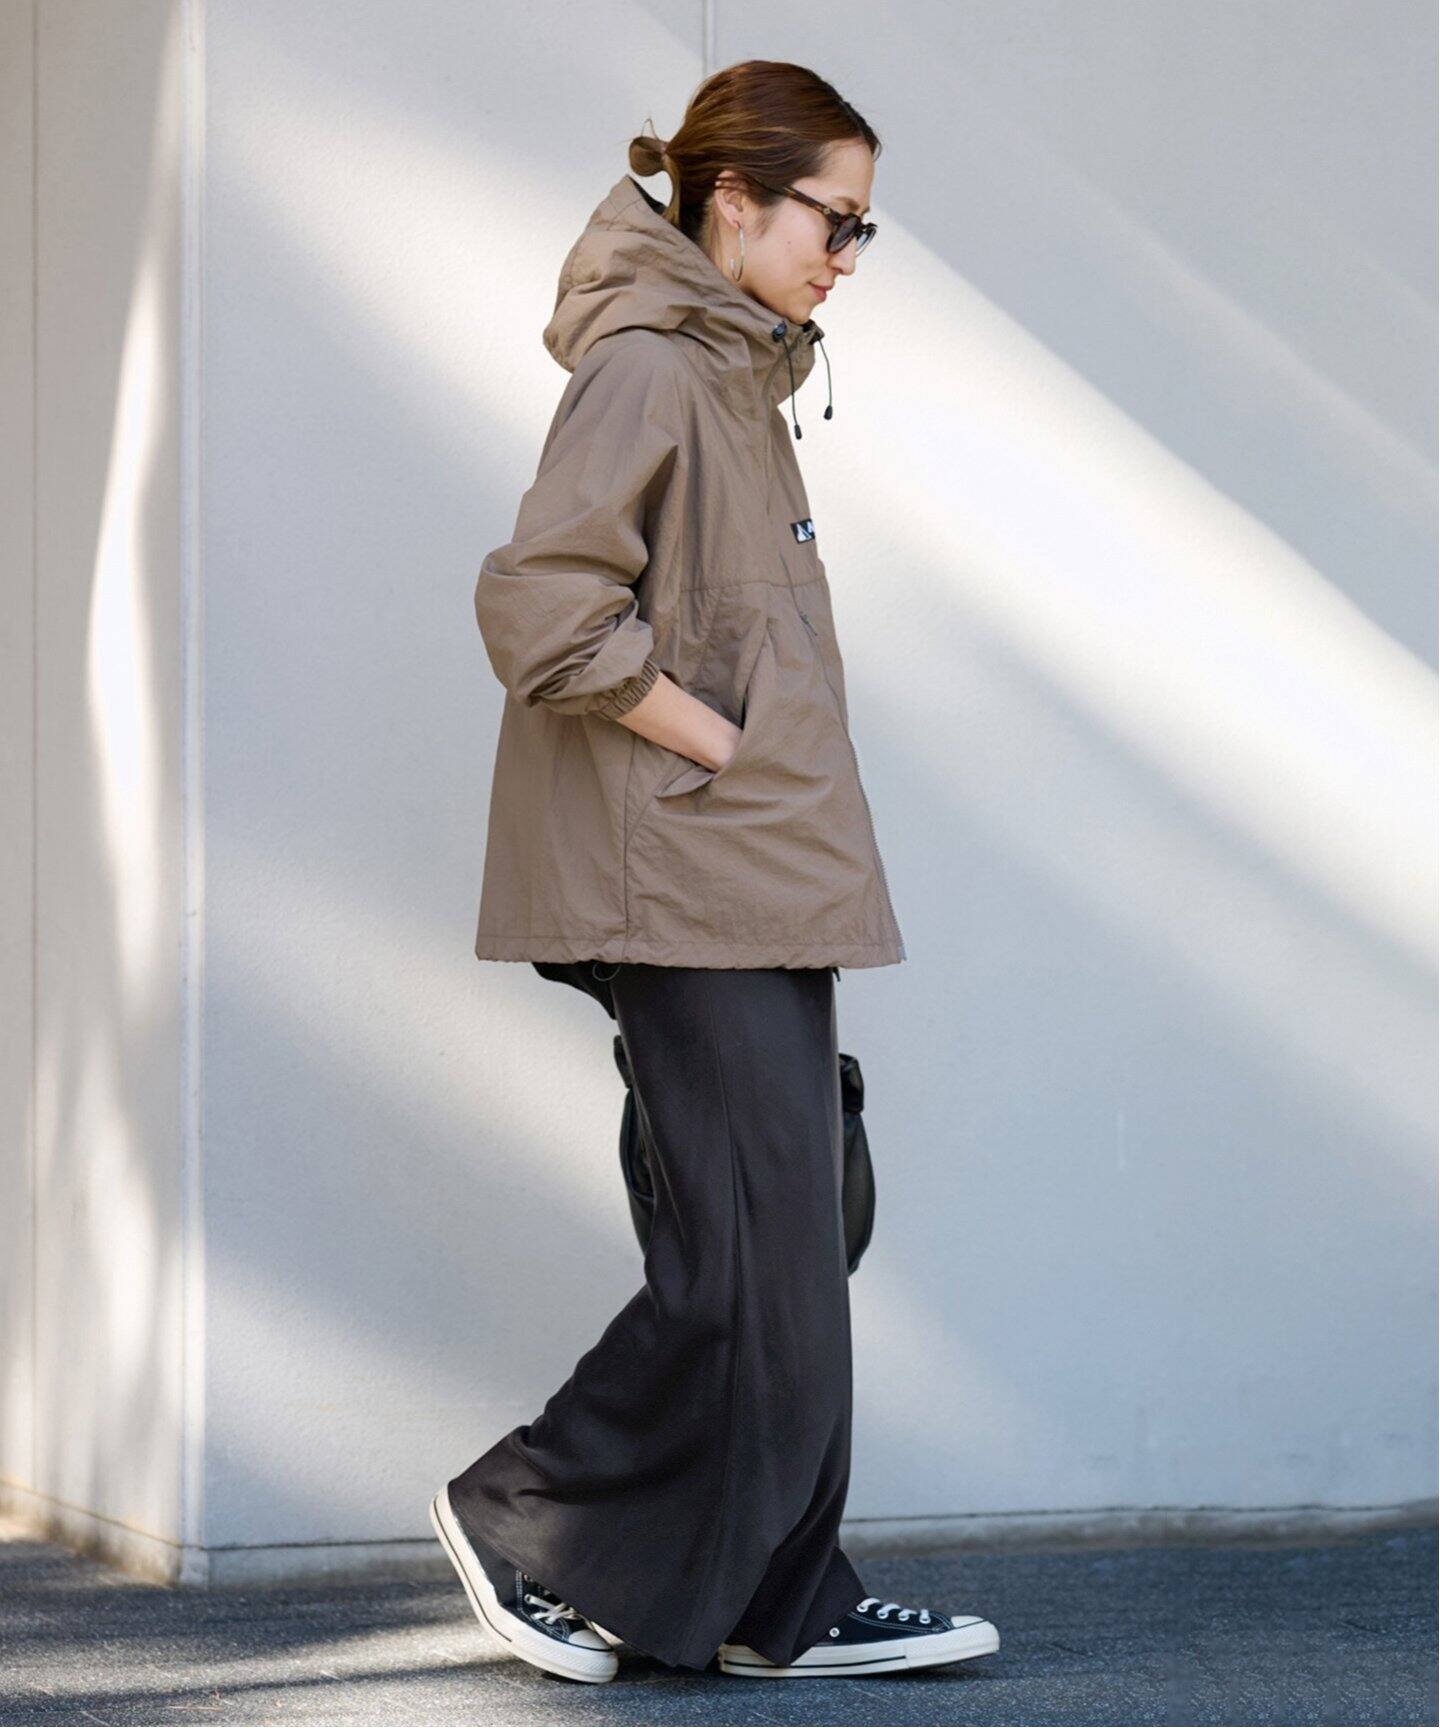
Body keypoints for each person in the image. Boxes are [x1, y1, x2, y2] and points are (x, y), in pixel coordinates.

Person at [430, 59, 1001, 1683]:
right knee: (745, 1263)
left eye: (866, 229)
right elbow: (544, 607)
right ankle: (522, 1513)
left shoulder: (740, 376)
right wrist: (717, 744)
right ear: (733, 203)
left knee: (796, 1251)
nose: (849, 256)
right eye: (836, 220)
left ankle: (776, 1597)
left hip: (761, 875)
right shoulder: (652, 370)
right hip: (686, 878)